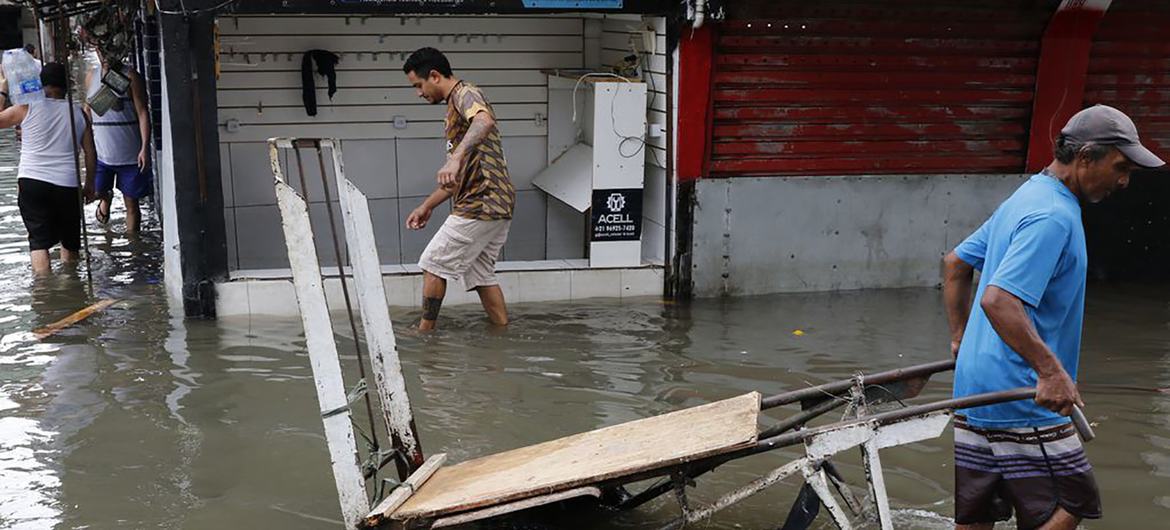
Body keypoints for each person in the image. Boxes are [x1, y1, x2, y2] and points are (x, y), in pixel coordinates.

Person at [942, 104, 1165, 530]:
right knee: (1072, 503)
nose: (1124, 181)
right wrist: (1051, 372)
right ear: (1085, 157)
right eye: (1121, 168)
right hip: (1023, 395)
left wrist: (960, 340)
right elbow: (999, 300)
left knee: (977, 514)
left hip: (975, 389)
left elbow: (955, 264)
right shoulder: (1053, 217)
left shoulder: (1028, 196)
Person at [401, 47, 515, 330]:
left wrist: (454, 158)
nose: (419, 93)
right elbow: (456, 178)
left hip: (481, 201)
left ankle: (425, 336)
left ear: (435, 76)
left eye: (418, 85)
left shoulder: (466, 94)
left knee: (432, 263)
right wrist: (427, 206)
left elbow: (484, 120)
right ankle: (503, 333)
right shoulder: (454, 107)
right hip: (496, 202)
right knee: (481, 274)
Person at [0, 62, 97, 275]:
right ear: (67, 86)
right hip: (67, 185)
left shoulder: (26, 108)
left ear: (40, 85)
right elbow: (91, 153)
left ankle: (44, 289)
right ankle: (71, 285)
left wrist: (3, 90)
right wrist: (90, 184)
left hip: (32, 183)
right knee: (70, 242)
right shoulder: (79, 113)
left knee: (38, 242)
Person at [84, 51, 151, 233]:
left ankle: (132, 243)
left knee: (132, 203)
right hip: (101, 153)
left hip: (130, 154)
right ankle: (106, 198)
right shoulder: (91, 76)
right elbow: (88, 110)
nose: (105, 55)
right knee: (97, 191)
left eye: (108, 49)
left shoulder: (131, 76)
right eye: (101, 50)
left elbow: (143, 112)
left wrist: (144, 147)